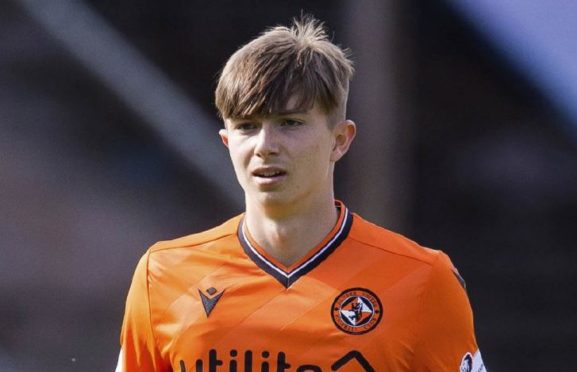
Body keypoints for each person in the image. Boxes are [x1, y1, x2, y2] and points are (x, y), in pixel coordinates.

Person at [116, 16, 486, 372]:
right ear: (227, 143)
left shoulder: (422, 280)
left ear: (340, 140)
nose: (265, 145)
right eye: (247, 126)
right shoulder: (163, 275)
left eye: (289, 123)